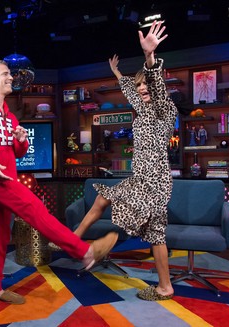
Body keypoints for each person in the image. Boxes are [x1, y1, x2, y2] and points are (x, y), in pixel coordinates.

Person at [0, 60, 118, 305]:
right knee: (35, 209)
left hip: (3, 176)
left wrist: (21, 140)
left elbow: (18, 153)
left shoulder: (8, 115)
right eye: (5, 74)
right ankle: (84, 252)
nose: (11, 77)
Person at [70, 20, 177, 301]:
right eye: (140, 87)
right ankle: (165, 286)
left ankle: (92, 245)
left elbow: (157, 87)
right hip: (142, 179)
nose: (142, 90)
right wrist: (117, 72)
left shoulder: (165, 111)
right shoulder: (141, 112)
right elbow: (131, 90)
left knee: (134, 221)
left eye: (146, 87)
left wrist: (150, 58)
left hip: (154, 183)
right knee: (150, 230)